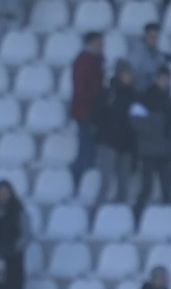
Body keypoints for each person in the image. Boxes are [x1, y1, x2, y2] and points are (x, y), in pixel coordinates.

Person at [131, 68, 171, 216]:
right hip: (149, 150)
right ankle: (136, 217)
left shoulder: (169, 100)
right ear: (156, 79)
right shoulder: (145, 97)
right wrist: (158, 124)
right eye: (163, 78)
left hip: (164, 150)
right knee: (147, 187)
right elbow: (136, 121)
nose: (165, 82)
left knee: (167, 187)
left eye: (168, 79)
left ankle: (168, 218)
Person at [94, 63, 138, 205]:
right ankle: (96, 215)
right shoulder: (109, 94)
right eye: (126, 74)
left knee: (123, 185)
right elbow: (96, 116)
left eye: (130, 74)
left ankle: (120, 215)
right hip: (108, 143)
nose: (129, 77)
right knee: (105, 183)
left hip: (126, 145)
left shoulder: (134, 95)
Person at [70, 33, 105, 183]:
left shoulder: (95, 61)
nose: (102, 46)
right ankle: (76, 179)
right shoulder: (84, 62)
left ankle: (84, 181)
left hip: (92, 111)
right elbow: (83, 89)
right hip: (86, 111)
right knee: (86, 148)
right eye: (99, 43)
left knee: (90, 149)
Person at [129, 22, 170, 92]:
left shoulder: (157, 53)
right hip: (138, 91)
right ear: (145, 36)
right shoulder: (136, 52)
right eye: (152, 37)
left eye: (156, 37)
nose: (154, 40)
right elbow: (135, 74)